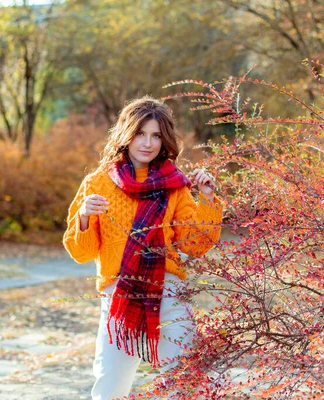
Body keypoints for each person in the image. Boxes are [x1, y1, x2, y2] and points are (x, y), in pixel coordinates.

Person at [62, 96, 223, 400]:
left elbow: (194, 244)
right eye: (140, 133)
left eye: (156, 135)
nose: (147, 143)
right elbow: (82, 252)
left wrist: (207, 200)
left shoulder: (175, 184)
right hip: (120, 295)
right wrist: (84, 216)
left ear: (165, 140)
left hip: (168, 289)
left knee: (185, 377)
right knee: (111, 385)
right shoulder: (97, 182)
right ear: (126, 134)